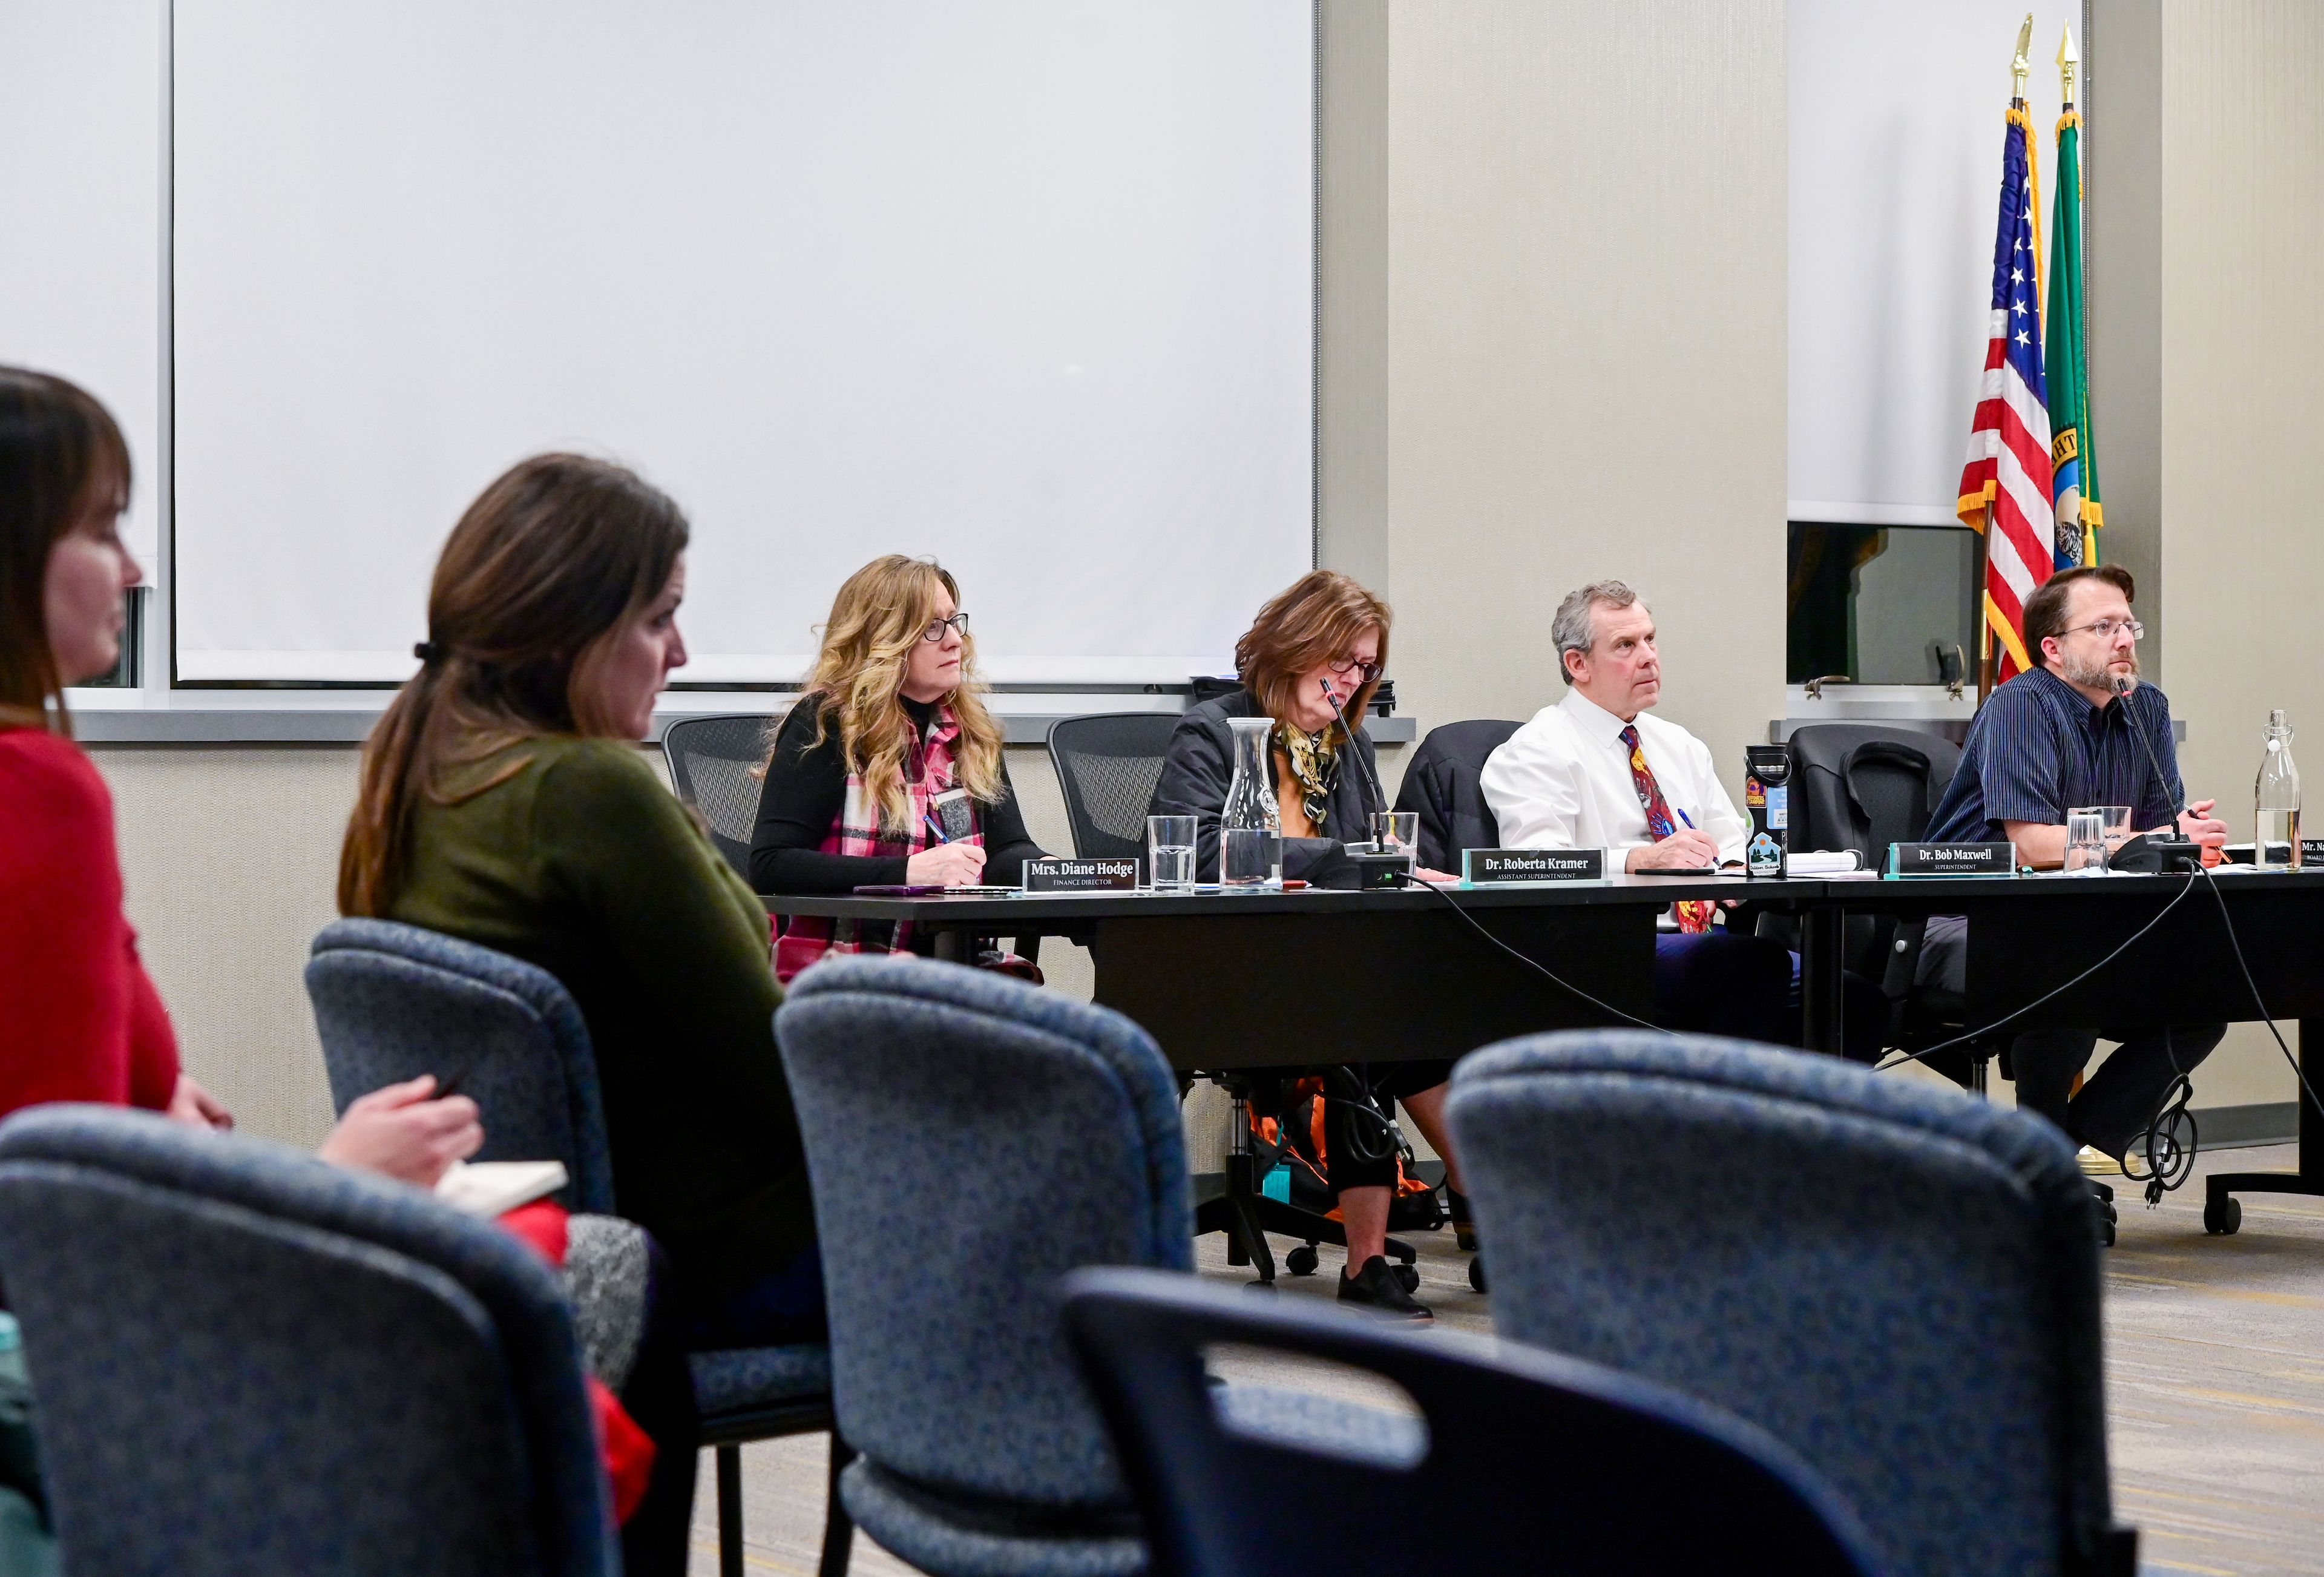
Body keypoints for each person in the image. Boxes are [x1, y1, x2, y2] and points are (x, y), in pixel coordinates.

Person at [338, 451, 817, 1571]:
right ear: (569, 633)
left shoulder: (419, 777)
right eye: (661, 620)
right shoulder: (587, 792)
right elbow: (781, 1078)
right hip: (701, 1259)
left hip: (545, 1252)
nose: (683, 654)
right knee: (1050, 1241)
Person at [1149, 570, 1461, 1319]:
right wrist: (1338, 860)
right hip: (1223, 969)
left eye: (1365, 668)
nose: (1351, 681)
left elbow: (1368, 848)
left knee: (1422, 1028)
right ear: (1296, 648)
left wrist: (1403, 870)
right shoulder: (1217, 730)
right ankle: (1375, 1257)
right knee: (1355, 1024)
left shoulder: (1344, 748)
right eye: (1341, 662)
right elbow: (1192, 848)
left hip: (1323, 965)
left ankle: (1431, 1239)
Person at [1480, 579, 1888, 1059]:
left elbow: (1733, 843)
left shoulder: (1678, 745)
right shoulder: (1536, 750)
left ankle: (1793, 1134)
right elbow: (1537, 866)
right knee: (1755, 968)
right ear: (1577, 664)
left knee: (1858, 1002)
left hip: (1705, 940)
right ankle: (1709, 1130)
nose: (1649, 657)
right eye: (1626, 646)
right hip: (1605, 952)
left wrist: (1736, 871)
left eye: (1650, 639)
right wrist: (1637, 859)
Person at [1920, 564, 2228, 1159]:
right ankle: (2044, 1163)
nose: (2125, 639)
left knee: (2207, 993)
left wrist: (2186, 839)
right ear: (2054, 649)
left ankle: (2068, 1147)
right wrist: (2157, 836)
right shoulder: (2022, 705)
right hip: (1968, 920)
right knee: (2069, 974)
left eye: (2129, 625)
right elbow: (2034, 846)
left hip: (2086, 922)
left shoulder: (2148, 709)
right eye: (2104, 626)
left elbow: (2163, 835)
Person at [750, 554, 1046, 983]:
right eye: (932, 627)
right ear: (883, 640)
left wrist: (1061, 872)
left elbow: (1002, 854)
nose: (954, 642)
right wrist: (910, 874)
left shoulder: (968, 728)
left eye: (954, 621)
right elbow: (772, 863)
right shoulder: (829, 723)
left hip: (957, 966)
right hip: (842, 971)